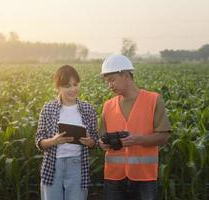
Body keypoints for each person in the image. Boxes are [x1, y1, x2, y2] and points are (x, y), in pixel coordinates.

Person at [99, 54, 171, 200]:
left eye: (112, 80)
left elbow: (164, 136)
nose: (109, 85)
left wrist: (137, 140)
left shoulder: (153, 100)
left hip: (144, 177)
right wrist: (102, 143)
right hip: (113, 177)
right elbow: (102, 139)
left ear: (126, 75)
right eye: (107, 82)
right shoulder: (108, 106)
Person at [35, 65, 99, 200]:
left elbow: (95, 141)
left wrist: (90, 141)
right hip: (53, 166)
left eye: (75, 84)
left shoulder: (88, 109)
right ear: (58, 87)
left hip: (77, 165)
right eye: (67, 86)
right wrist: (53, 141)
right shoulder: (48, 109)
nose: (72, 89)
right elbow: (39, 141)